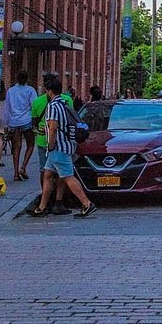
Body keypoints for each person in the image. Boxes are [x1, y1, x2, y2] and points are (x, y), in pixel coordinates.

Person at [28, 77, 96, 219]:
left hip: (58, 148)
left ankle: (87, 203)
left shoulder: (52, 106)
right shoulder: (64, 104)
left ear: (49, 91)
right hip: (66, 145)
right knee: (47, 175)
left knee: (67, 176)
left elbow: (53, 128)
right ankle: (42, 207)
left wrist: (50, 145)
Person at [31, 74, 74, 212]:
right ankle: (58, 200)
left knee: (44, 171)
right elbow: (70, 120)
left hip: (46, 142)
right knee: (59, 174)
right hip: (62, 142)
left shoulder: (37, 101)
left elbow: (34, 122)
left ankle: (45, 201)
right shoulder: (67, 100)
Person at [3, 71, 37, 181]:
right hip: (26, 120)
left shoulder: (11, 91)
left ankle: (16, 173)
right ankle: (23, 167)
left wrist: (6, 124)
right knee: (30, 144)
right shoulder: (30, 90)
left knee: (16, 148)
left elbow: (7, 108)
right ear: (27, 79)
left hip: (14, 122)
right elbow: (34, 106)